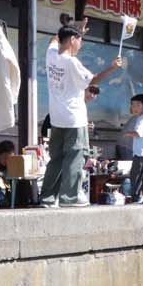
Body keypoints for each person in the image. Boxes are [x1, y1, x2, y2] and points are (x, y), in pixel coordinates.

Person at [41, 22, 122, 207]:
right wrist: (112, 67)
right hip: (74, 119)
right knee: (75, 158)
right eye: (79, 41)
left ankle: (47, 198)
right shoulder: (71, 62)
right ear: (71, 40)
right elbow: (92, 80)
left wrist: (76, 28)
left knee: (56, 159)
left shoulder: (51, 54)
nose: (80, 45)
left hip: (56, 118)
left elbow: (54, 38)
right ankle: (69, 197)